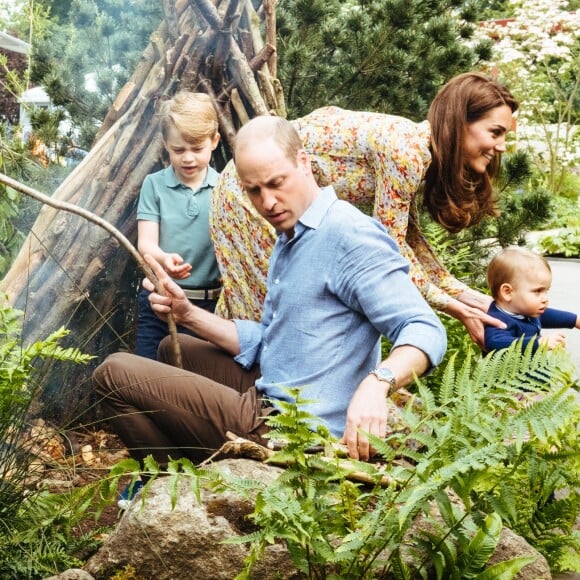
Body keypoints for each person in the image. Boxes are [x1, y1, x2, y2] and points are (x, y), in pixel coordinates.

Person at [94, 116, 447, 485]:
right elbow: (275, 340)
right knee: (172, 346)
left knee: (113, 373)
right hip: (277, 387)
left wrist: (378, 383)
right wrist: (188, 314)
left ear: (305, 163)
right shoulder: (292, 235)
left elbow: (425, 329)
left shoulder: (349, 235)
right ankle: (199, 471)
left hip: (293, 431)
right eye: (254, 191)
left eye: (277, 183)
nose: (268, 202)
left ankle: (174, 487)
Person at [209, 72, 518, 348]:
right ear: (460, 122)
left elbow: (409, 239)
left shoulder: (417, 150)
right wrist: (454, 307)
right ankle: (259, 403)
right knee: (273, 309)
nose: (501, 146)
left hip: (262, 191)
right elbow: (391, 251)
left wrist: (467, 297)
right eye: (495, 132)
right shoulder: (406, 152)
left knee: (259, 304)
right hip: (247, 190)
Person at [135, 92, 222, 360]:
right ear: (165, 144)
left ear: (214, 141)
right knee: (149, 377)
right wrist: (163, 259)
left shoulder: (224, 189)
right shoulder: (154, 185)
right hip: (159, 300)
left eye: (197, 149)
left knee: (195, 384)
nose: (188, 158)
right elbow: (146, 243)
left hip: (209, 306)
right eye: (178, 150)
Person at [484, 247, 580, 354]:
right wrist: (538, 342)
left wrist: (575, 320)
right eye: (538, 291)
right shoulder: (499, 320)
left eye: (546, 291)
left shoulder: (524, 310)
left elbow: (545, 315)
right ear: (507, 292)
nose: (545, 299)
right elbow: (495, 343)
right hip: (512, 370)